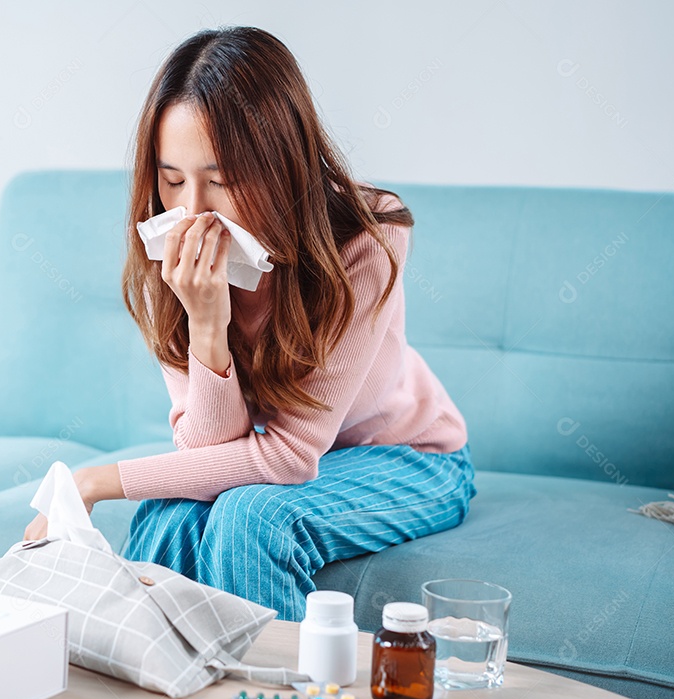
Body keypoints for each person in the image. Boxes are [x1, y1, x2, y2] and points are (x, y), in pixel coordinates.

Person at [24, 25, 476, 622]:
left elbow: (290, 455)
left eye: (220, 181)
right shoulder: (170, 260)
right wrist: (206, 322)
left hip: (409, 456)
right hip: (286, 460)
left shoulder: (366, 235)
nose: (191, 212)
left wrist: (93, 482)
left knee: (250, 517)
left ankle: (278, 683)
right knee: (170, 516)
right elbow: (207, 451)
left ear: (280, 165)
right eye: (173, 180)